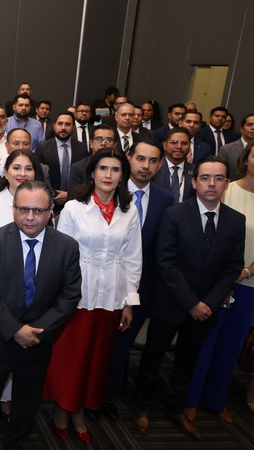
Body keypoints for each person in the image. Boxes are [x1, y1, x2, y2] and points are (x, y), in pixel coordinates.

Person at [134, 156, 245, 441]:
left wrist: (208, 302)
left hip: (208, 307)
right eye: (205, 177)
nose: (212, 183)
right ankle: (143, 407)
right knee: (152, 358)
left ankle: (176, 407)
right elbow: (165, 263)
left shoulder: (236, 220)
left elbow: (233, 267)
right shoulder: (174, 214)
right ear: (194, 182)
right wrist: (192, 303)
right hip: (171, 303)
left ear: (227, 184)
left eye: (218, 178)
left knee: (187, 361)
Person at [0, 181, 82, 450]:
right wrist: (15, 329)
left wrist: (36, 331)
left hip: (38, 342)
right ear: (13, 208)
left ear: (51, 210)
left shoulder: (67, 246)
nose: (30, 217)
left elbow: (69, 297)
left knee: (27, 403)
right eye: (24, 209)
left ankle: (15, 443)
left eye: (39, 211)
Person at [44, 148, 142, 445]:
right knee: (70, 359)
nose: (108, 175)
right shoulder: (74, 208)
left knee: (96, 360)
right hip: (78, 295)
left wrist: (129, 301)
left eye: (115, 170)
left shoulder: (130, 210)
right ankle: (63, 411)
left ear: (123, 175)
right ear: (92, 173)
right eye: (103, 169)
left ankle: (80, 411)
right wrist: (63, 297)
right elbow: (62, 256)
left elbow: (133, 257)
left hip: (112, 295)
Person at [102, 136, 174, 419]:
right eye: (140, 159)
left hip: (142, 288)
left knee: (122, 346)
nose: (146, 166)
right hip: (104, 282)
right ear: (128, 158)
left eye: (153, 161)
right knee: (98, 343)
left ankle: (107, 395)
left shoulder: (166, 199)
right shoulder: (109, 190)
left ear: (159, 165)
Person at [185, 142, 254, 423]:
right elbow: (211, 238)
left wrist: (246, 272)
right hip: (216, 283)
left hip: (249, 285)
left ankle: (216, 400)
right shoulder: (227, 189)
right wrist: (225, 281)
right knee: (204, 343)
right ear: (246, 158)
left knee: (231, 346)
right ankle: (189, 400)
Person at [0, 149, 43, 252]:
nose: (23, 174)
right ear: (5, 172)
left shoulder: (43, 204)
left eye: (28, 169)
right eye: (16, 168)